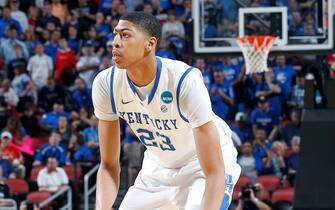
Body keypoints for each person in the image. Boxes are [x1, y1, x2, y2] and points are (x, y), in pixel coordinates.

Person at [92, 12, 241, 210]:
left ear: (149, 44)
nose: (116, 43)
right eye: (115, 35)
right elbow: (108, 165)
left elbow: (214, 171)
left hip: (202, 165)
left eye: (125, 35)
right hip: (158, 167)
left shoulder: (183, 80)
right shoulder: (106, 84)